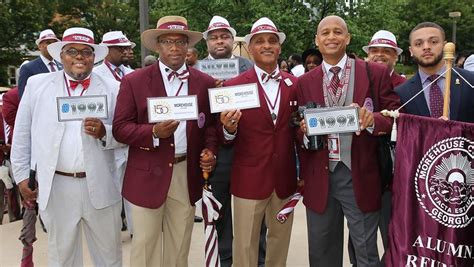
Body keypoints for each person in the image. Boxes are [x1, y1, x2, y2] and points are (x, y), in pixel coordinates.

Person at [11, 27, 123, 266]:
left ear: (94, 57)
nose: (79, 56)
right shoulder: (37, 85)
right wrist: (21, 176)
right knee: (62, 259)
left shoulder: (112, 88)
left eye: (86, 52)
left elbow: (124, 135)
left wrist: (106, 133)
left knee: (109, 257)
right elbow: (22, 134)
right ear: (61, 56)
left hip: (102, 184)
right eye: (72, 51)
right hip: (57, 186)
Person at [112, 15, 218, 267]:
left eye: (180, 42)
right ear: (157, 46)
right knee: (145, 247)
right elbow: (119, 128)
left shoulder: (203, 82)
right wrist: (153, 133)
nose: (174, 47)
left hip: (185, 172)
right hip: (147, 172)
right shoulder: (134, 81)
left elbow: (211, 126)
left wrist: (210, 150)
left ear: (188, 47)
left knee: (179, 246)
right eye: (168, 41)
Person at [297, 15, 400, 267]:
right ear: (317, 40)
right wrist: (303, 131)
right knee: (322, 252)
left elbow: (395, 117)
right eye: (325, 33)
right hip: (320, 175)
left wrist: (372, 119)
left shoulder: (373, 72)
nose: (331, 37)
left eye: (337, 32)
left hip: (359, 173)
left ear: (348, 38)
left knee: (365, 251)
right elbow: (296, 128)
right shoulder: (304, 82)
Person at [219, 17, 298, 267]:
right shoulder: (232, 86)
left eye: (272, 41)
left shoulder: (294, 84)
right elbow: (223, 136)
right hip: (248, 180)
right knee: (244, 247)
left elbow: (297, 129)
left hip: (284, 180)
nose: (267, 46)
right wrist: (229, 130)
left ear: (279, 48)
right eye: (260, 41)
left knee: (279, 245)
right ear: (250, 48)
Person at [202, 15, 264, 267]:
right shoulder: (197, 71)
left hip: (249, 151)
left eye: (224, 36)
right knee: (221, 213)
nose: (219, 41)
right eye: (214, 37)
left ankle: (257, 260)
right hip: (218, 154)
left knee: (254, 213)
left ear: (232, 39)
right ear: (206, 43)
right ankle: (225, 261)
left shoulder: (249, 67)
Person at [94, 30, 136, 235]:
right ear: (106, 50)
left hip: (130, 139)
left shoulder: (131, 74)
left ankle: (135, 229)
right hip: (105, 140)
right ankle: (111, 229)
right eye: (120, 48)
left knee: (133, 189)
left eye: (126, 48)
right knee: (110, 189)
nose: (125, 52)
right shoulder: (95, 75)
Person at [395, 22, 474, 123]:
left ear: (445, 46)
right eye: (418, 44)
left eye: (433, 42)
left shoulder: (470, 81)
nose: (426, 47)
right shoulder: (402, 92)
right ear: (411, 50)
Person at [18, 29, 60, 99]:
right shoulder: (28, 68)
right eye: (48, 43)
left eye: (54, 43)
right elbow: (23, 97)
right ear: (40, 46)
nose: (52, 46)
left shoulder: (62, 66)